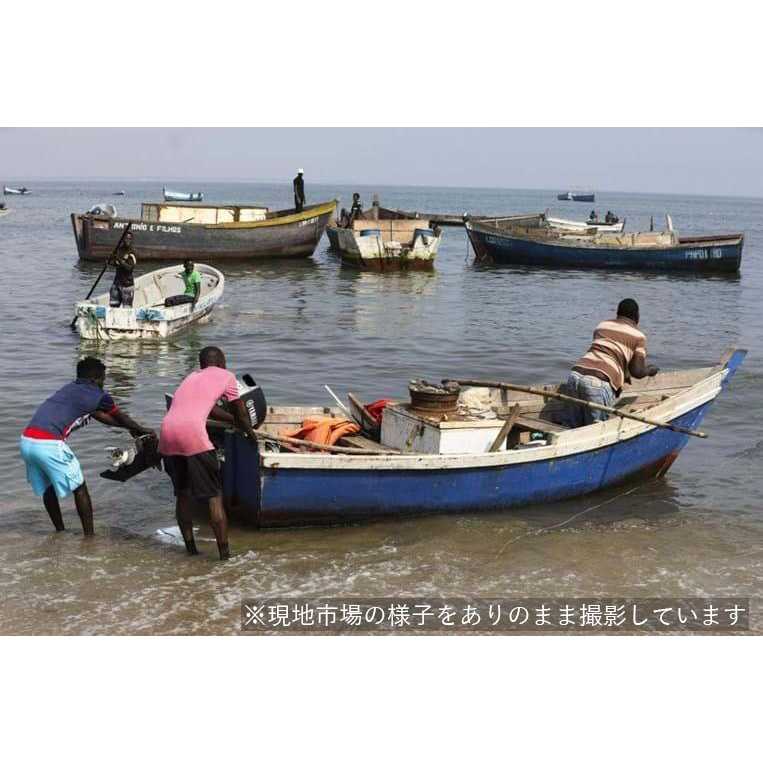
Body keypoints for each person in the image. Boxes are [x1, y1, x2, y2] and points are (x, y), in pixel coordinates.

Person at [19, 357, 154, 535]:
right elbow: (120, 416)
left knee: (48, 487)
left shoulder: (69, 389)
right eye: (103, 379)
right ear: (94, 379)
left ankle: (59, 532)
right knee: (80, 488)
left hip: (27, 441)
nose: (103, 383)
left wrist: (131, 428)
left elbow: (100, 416)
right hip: (49, 444)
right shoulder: (98, 395)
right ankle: (89, 538)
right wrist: (141, 429)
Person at [159, 346, 259, 561]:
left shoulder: (191, 377)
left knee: (182, 494)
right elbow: (240, 410)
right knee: (214, 496)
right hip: (193, 435)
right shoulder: (227, 376)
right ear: (222, 362)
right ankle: (225, 556)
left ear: (202, 364)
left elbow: (211, 409)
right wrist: (249, 432)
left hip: (167, 434)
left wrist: (232, 421)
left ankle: (190, 551)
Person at [560, 299, 659, 428]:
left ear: (618, 313)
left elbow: (605, 352)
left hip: (575, 375)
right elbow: (637, 371)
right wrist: (650, 370)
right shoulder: (638, 336)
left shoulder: (602, 325)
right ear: (637, 316)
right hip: (598, 383)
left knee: (570, 428)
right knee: (596, 431)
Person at [109, 231, 136, 307]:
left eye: (129, 239)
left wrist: (119, 260)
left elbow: (129, 268)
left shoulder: (132, 252)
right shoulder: (118, 250)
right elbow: (114, 263)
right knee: (113, 307)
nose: (128, 240)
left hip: (127, 285)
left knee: (127, 308)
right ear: (123, 239)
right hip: (116, 284)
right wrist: (111, 260)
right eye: (126, 238)